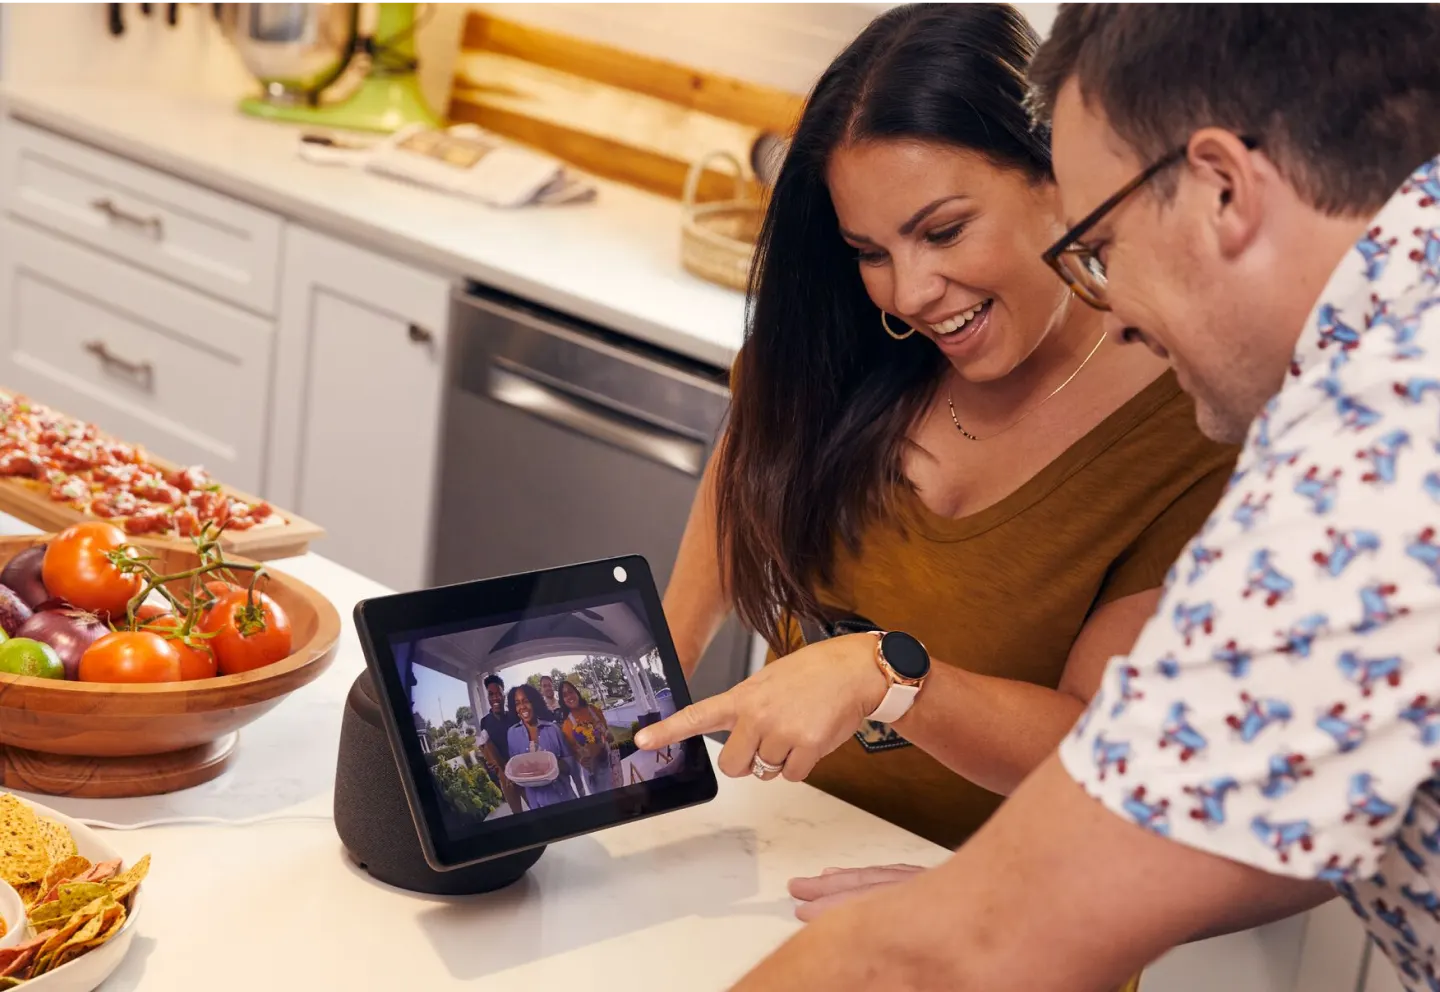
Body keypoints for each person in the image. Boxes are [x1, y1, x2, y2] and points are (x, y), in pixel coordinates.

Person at [725, 2, 1440, 990]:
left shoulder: (1374, 459)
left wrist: (980, 910)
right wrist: (989, 900)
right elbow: (1295, 799)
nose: (1120, 309)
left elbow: (960, 954)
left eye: (1102, 243)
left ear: (1224, 189)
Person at [649, 0, 1236, 854]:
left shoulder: (1186, 431)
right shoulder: (846, 344)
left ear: (1055, 177)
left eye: (944, 231)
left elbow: (1089, 746)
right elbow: (747, 463)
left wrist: (886, 678)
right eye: (872, 251)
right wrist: (653, 681)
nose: (911, 292)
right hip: (776, 857)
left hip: (998, 921)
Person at [505, 683, 579, 810]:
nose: (522, 706)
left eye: (526, 701)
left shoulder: (553, 729)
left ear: (534, 703)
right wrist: (513, 778)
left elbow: (571, 767)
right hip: (536, 805)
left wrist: (552, 765)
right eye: (517, 703)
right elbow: (516, 767)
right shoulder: (512, 734)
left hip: (563, 799)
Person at [558, 680, 616, 796]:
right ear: (562, 701)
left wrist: (607, 734)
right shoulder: (567, 725)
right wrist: (581, 759)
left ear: (577, 692)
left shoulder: (593, 710)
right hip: (592, 771)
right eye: (564, 695)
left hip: (608, 762)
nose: (569, 696)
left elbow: (610, 737)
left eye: (571, 691)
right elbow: (573, 752)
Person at [478, 674, 524, 814]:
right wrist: (490, 763)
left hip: (522, 770)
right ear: (488, 697)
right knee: (518, 814)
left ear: (503, 693)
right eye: (491, 694)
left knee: (535, 807)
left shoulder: (514, 716)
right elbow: (487, 748)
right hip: (505, 777)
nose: (495, 698)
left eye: (498, 693)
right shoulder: (485, 722)